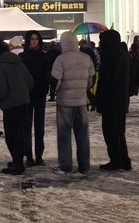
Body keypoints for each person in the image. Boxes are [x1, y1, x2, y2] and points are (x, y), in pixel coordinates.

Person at [50, 31, 95, 174]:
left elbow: (56, 82)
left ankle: (65, 166)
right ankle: (84, 165)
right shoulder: (86, 58)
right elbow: (91, 81)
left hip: (64, 103)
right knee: (82, 136)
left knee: (64, 136)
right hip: (82, 102)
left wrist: (57, 92)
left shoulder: (60, 60)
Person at [0, 36, 34, 174]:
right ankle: (18, 161)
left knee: (11, 137)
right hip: (23, 103)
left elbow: (1, 89)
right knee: (19, 134)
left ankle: (17, 164)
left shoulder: (1, 67)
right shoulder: (20, 63)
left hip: (10, 106)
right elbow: (30, 82)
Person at [97, 29, 133, 171]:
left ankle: (116, 160)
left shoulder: (109, 57)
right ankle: (124, 160)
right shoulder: (124, 55)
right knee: (119, 132)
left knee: (111, 132)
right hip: (122, 99)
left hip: (110, 100)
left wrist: (98, 99)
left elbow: (104, 81)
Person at [20, 31, 51, 166]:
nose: (34, 41)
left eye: (36, 39)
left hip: (39, 95)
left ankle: (39, 155)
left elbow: (47, 75)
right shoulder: (22, 56)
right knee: (26, 126)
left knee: (39, 126)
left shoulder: (44, 57)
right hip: (27, 95)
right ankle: (28, 155)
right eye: (32, 39)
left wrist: (43, 89)